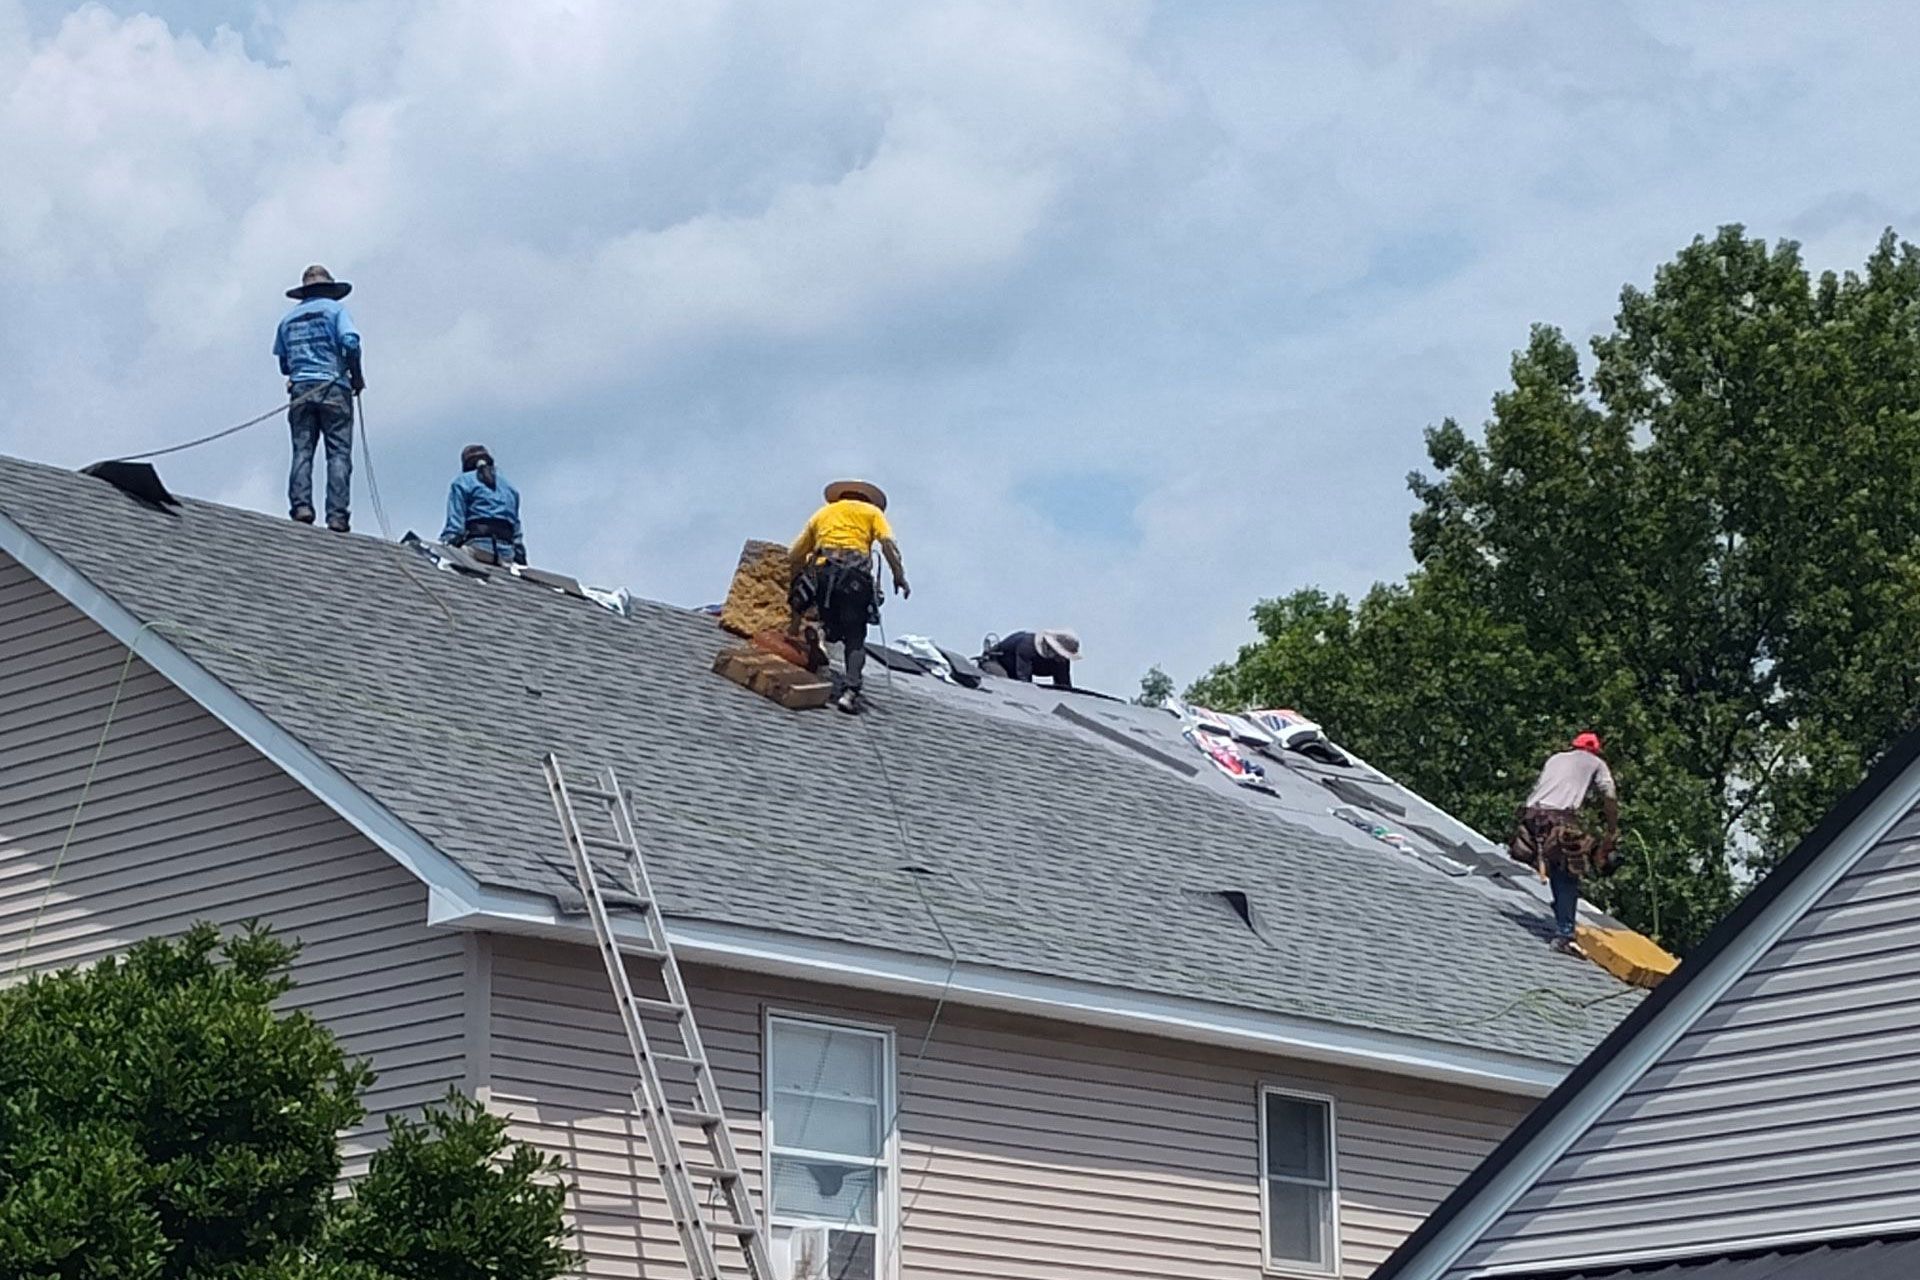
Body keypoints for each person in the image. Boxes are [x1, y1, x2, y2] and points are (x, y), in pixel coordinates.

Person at [789, 480, 909, 714]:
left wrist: (796, 575)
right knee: (855, 636)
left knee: (824, 616)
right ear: (868, 499)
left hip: (824, 573)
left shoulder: (823, 513)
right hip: (855, 580)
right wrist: (899, 575)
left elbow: (795, 552)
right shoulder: (872, 513)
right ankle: (850, 692)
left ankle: (820, 636)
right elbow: (888, 544)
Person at [273, 265, 364, 532]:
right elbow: (350, 342)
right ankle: (336, 516)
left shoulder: (288, 320)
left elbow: (284, 365)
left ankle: (301, 506)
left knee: (302, 450)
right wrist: (356, 375)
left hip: (301, 390)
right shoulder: (336, 311)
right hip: (333, 386)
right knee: (338, 453)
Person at [1512, 732, 1619, 955]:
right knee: (1569, 873)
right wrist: (1611, 828)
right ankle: (1565, 934)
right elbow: (1609, 796)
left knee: (1557, 863)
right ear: (1595, 750)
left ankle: (1561, 907)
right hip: (1557, 820)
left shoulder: (1557, 758)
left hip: (1532, 817)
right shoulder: (1597, 763)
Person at [441, 444, 525, 566]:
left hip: (477, 549)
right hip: (506, 554)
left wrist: (444, 547)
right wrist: (520, 560)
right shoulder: (510, 489)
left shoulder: (462, 482)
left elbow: (455, 527)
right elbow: (516, 534)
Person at [980, 630, 1081, 688]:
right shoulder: (1027, 646)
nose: (1062, 660)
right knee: (1007, 686)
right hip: (998, 663)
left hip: (1017, 674)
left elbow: (1064, 686)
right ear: (1051, 648)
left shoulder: (1061, 661)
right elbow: (1024, 683)